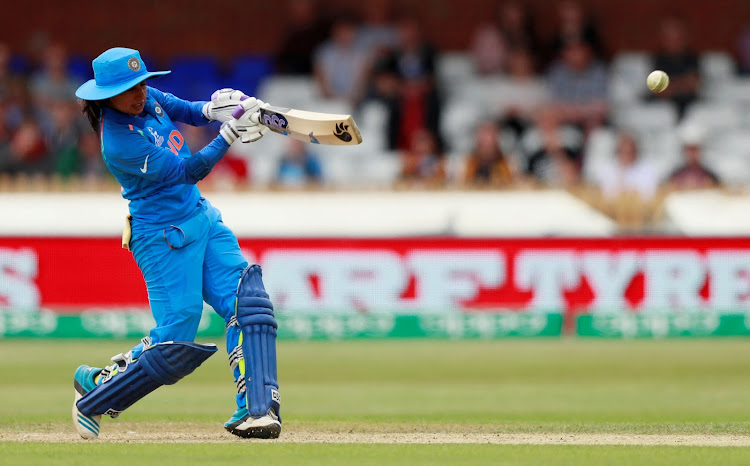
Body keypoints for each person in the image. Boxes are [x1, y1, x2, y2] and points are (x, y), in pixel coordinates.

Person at [71, 47, 281, 440]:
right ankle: (96, 392)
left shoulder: (147, 98)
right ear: (104, 96)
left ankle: (257, 411)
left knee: (247, 301)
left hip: (201, 217)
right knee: (175, 341)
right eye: (128, 89)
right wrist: (230, 132)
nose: (140, 93)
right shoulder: (119, 143)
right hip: (161, 236)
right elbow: (188, 170)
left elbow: (188, 109)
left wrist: (218, 108)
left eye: (141, 83)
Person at [463, 121, 514, 188]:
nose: (488, 142)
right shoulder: (468, 163)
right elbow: (463, 184)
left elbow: (512, 184)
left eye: (491, 137)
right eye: (484, 138)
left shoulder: (508, 163)